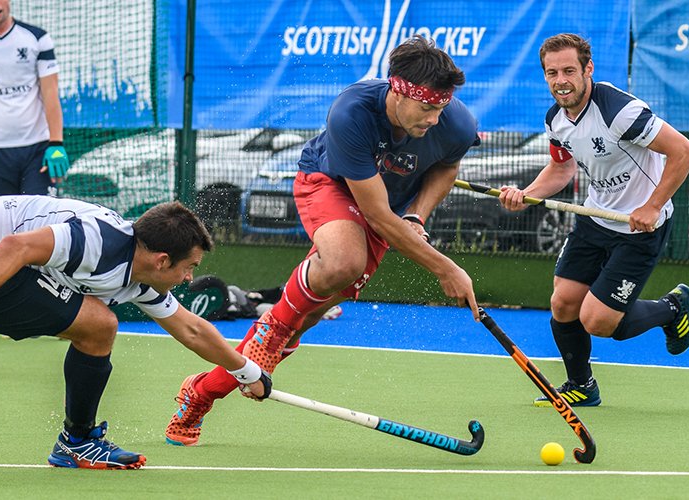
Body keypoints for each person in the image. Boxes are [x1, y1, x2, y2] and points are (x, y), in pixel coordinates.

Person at [164, 35, 481, 446]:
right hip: (328, 183)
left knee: (301, 322)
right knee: (343, 263)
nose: (434, 119)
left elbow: (446, 166)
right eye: (426, 108)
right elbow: (376, 214)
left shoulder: (457, 122)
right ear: (397, 89)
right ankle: (271, 327)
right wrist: (447, 268)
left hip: (386, 207)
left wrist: (417, 214)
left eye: (441, 108)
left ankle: (200, 394)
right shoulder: (352, 112)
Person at [0, 196, 271, 469]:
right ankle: (79, 443)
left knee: (97, 328)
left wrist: (247, 372)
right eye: (189, 267)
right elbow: (13, 246)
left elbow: (191, 329)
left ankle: (78, 442)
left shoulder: (139, 276)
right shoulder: (99, 242)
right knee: (98, 323)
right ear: (162, 261)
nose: (189, 277)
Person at [497, 33, 689, 407]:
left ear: (588, 69)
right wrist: (527, 195)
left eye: (569, 70)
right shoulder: (556, 119)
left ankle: (673, 308)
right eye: (552, 72)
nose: (561, 80)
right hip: (596, 218)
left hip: (641, 228)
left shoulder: (619, 112)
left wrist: (652, 206)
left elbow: (683, 152)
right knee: (563, 303)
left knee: (599, 321)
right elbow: (561, 169)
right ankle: (581, 385)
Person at [0, 0, 70, 200]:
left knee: (41, 220)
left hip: (37, 150)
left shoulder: (37, 38)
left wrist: (56, 143)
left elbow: (50, 92)